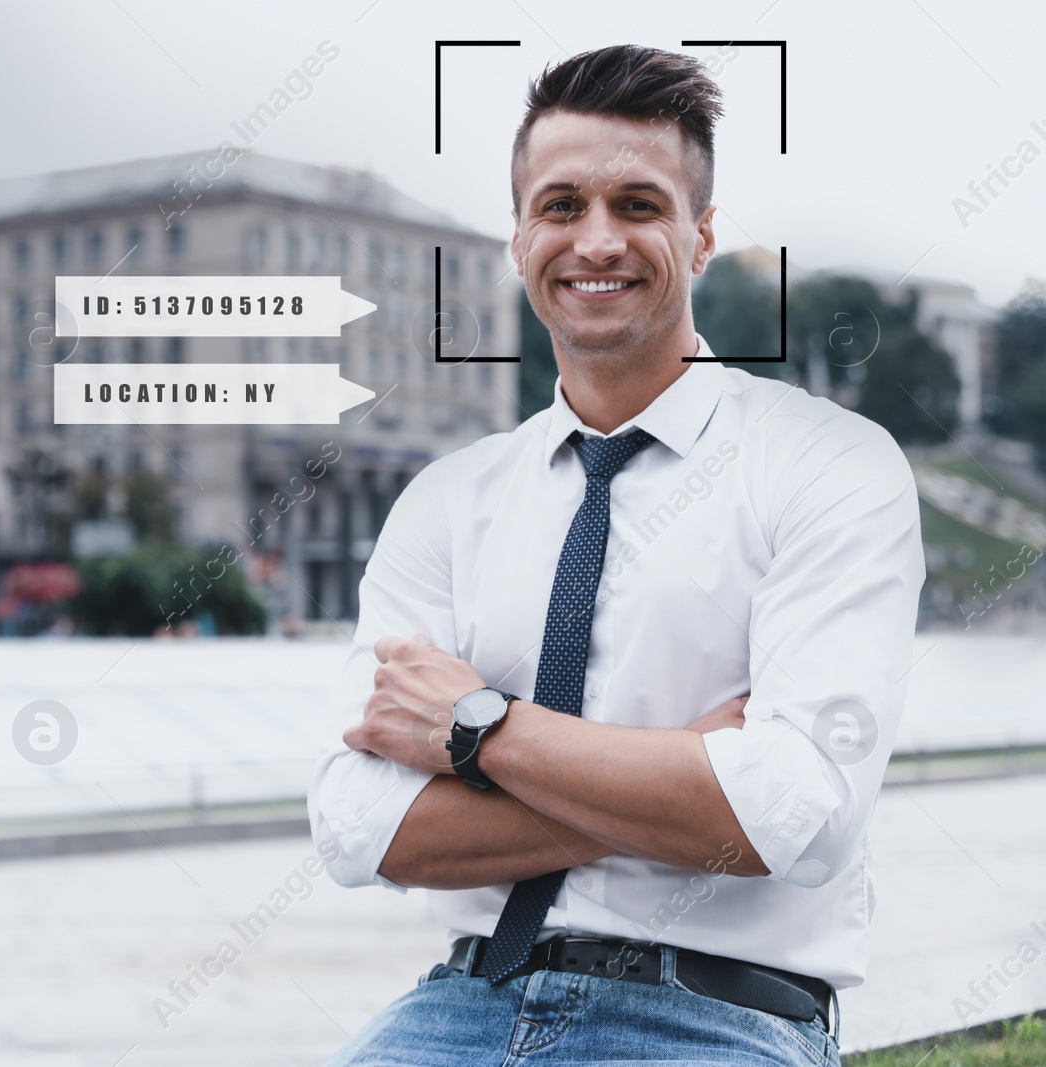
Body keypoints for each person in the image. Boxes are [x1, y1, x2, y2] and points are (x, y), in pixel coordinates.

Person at [308, 44, 925, 1066]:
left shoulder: (828, 464)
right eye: (559, 206)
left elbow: (790, 817)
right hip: (452, 1008)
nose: (596, 239)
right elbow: (356, 828)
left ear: (701, 236)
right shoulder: (447, 501)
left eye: (639, 204)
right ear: (517, 237)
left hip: (713, 1017)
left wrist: (475, 728)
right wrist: (679, 779)